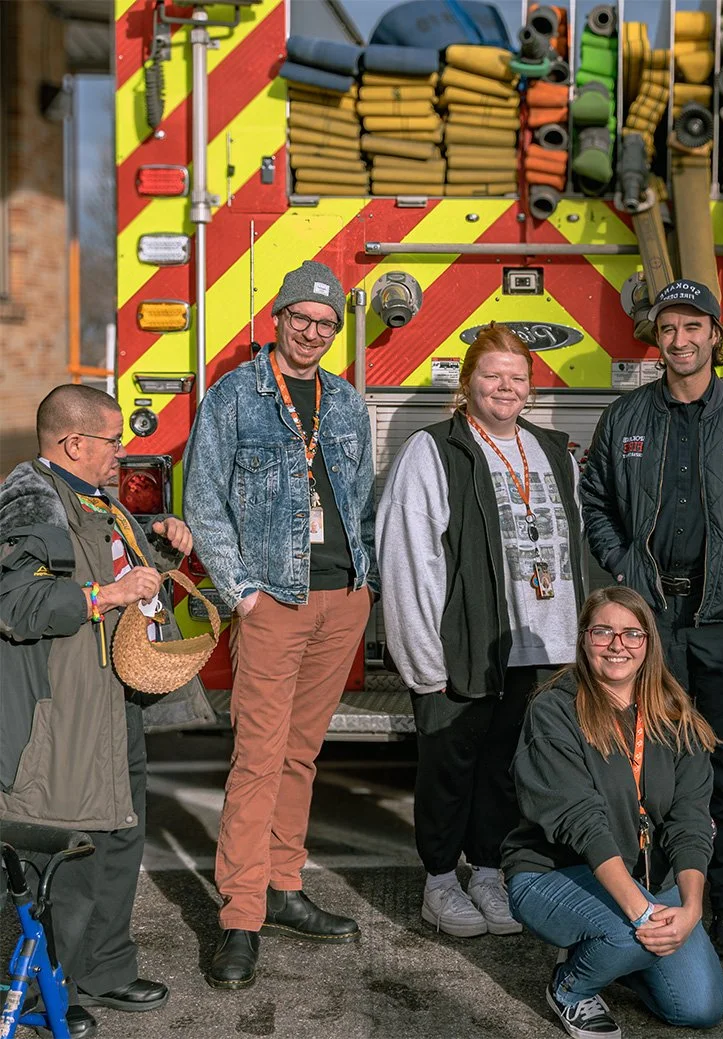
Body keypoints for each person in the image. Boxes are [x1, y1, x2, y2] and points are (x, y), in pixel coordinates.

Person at [581, 279, 723, 959]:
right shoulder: (626, 419)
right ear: (659, 338)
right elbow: (595, 502)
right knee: (646, 765)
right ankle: (648, 896)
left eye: (692, 327)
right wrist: (625, 572)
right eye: (668, 328)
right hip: (649, 624)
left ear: (714, 335)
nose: (680, 340)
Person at [184, 260, 378, 990]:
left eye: (326, 323)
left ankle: (284, 885)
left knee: (300, 754)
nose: (313, 331)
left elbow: (360, 502)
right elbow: (204, 501)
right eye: (302, 317)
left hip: (340, 601)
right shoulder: (235, 396)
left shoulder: (347, 402)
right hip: (273, 601)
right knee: (258, 758)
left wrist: (367, 586)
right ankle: (239, 917)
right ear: (280, 318)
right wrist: (242, 594)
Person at [0, 385, 211, 1038]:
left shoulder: (96, 497)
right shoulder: (28, 499)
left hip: (111, 703)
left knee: (118, 836)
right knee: (65, 854)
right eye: (113, 439)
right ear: (72, 443)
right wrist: (104, 594)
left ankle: (107, 969)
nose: (122, 450)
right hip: (57, 713)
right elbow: (14, 603)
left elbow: (109, 560)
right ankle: (47, 987)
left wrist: (158, 542)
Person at [377, 322, 586, 939]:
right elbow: (409, 559)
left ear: (531, 387)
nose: (505, 388)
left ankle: (490, 875)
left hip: (540, 644)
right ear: (466, 384)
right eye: (491, 376)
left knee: (507, 767)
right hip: (460, 644)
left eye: (517, 378)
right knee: (450, 763)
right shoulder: (433, 450)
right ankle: (440, 883)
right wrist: (423, 663)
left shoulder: (551, 450)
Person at [503, 587, 723, 1039]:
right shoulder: (554, 709)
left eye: (631, 633)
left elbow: (690, 820)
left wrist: (690, 909)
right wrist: (643, 916)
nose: (617, 645)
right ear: (584, 639)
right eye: (603, 631)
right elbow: (583, 823)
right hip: (554, 872)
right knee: (629, 933)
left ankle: (617, 953)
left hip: (646, 876)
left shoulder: (675, 713)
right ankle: (571, 986)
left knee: (700, 1008)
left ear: (648, 643)